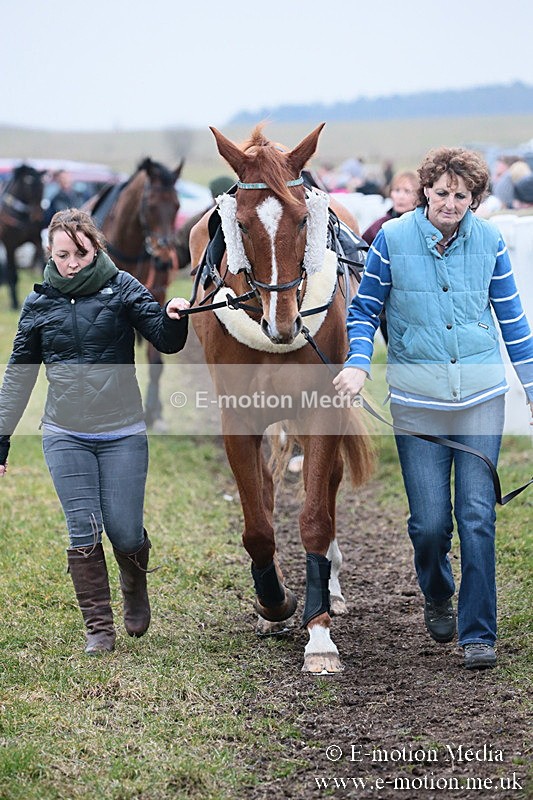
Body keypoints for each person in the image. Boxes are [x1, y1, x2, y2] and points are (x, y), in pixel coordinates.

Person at [334, 147, 533, 670]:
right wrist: (358, 362)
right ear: (425, 191)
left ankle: (478, 634)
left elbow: (513, 321)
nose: (450, 203)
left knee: (477, 517)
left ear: (475, 198)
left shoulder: (489, 241)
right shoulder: (392, 241)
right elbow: (364, 310)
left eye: (461, 195)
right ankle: (437, 589)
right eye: (441, 193)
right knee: (428, 525)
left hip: (479, 399)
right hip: (417, 401)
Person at [0, 209, 190, 655]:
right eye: (61, 254)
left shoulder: (122, 287)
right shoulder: (39, 304)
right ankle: (98, 628)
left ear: (96, 249)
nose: (71, 263)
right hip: (65, 432)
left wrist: (175, 315)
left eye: (80, 254)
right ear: (50, 253)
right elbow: (18, 376)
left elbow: (165, 339)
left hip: (122, 429)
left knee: (125, 532)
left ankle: (134, 583)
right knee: (82, 529)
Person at [361, 171, 420, 342]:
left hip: (418, 308)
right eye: (397, 190)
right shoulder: (378, 227)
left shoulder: (426, 226)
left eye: (407, 191)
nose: (400, 196)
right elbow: (361, 253)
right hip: (386, 310)